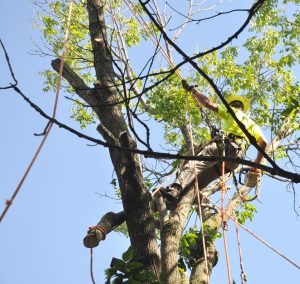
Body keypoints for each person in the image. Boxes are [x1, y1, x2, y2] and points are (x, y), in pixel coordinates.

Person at [161, 80, 268, 201]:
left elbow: (208, 104)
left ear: (232, 106)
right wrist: (256, 166)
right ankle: (181, 198)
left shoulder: (231, 111)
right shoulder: (252, 124)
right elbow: (264, 143)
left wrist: (194, 91)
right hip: (234, 160)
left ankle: (175, 188)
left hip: (223, 146)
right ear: (243, 109)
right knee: (200, 181)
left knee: (194, 165)